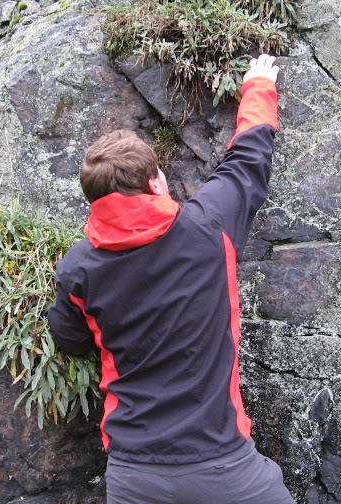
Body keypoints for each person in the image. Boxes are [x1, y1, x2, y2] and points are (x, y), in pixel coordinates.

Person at [48, 54, 295, 504]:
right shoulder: (209, 229)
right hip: (225, 467)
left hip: (134, 475)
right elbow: (248, 159)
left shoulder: (78, 268)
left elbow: (71, 340)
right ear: (156, 184)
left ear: (94, 201)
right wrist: (259, 86)